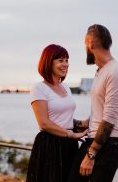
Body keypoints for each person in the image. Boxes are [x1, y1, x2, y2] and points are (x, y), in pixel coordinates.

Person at [68, 24, 118, 182]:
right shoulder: (101, 71)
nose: (85, 49)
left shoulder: (115, 72)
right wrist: (75, 123)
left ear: (90, 43)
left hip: (110, 144)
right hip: (94, 140)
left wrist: (91, 154)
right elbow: (100, 112)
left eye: (85, 44)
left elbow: (109, 119)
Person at [26, 44, 88, 182]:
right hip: (50, 145)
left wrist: (83, 123)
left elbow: (63, 119)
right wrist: (70, 134)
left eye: (67, 60)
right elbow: (44, 123)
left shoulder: (66, 87)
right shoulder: (39, 88)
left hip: (69, 144)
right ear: (48, 62)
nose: (65, 64)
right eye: (60, 60)